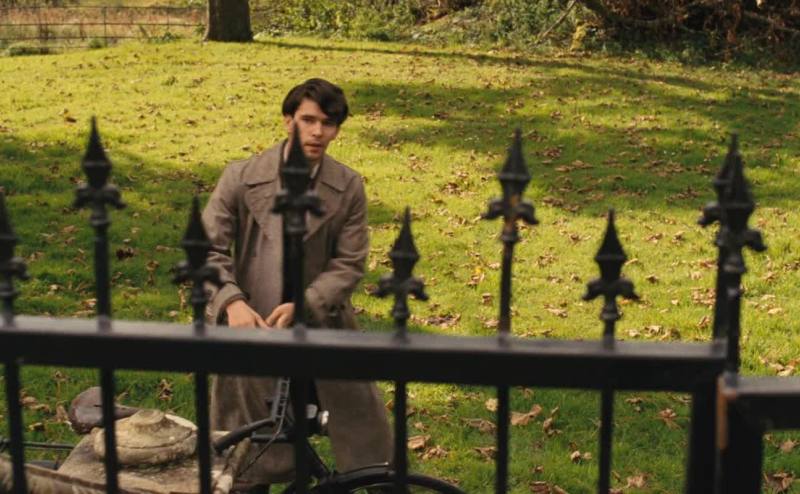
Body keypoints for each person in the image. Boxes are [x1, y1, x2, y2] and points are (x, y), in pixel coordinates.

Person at [201, 78, 393, 489]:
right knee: (247, 455)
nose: (318, 132)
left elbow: (349, 263)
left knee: (360, 451)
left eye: (329, 123)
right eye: (308, 120)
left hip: (321, 326)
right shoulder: (241, 177)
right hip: (253, 325)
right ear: (288, 120)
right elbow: (206, 249)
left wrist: (305, 304)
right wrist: (232, 302)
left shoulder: (348, 186)